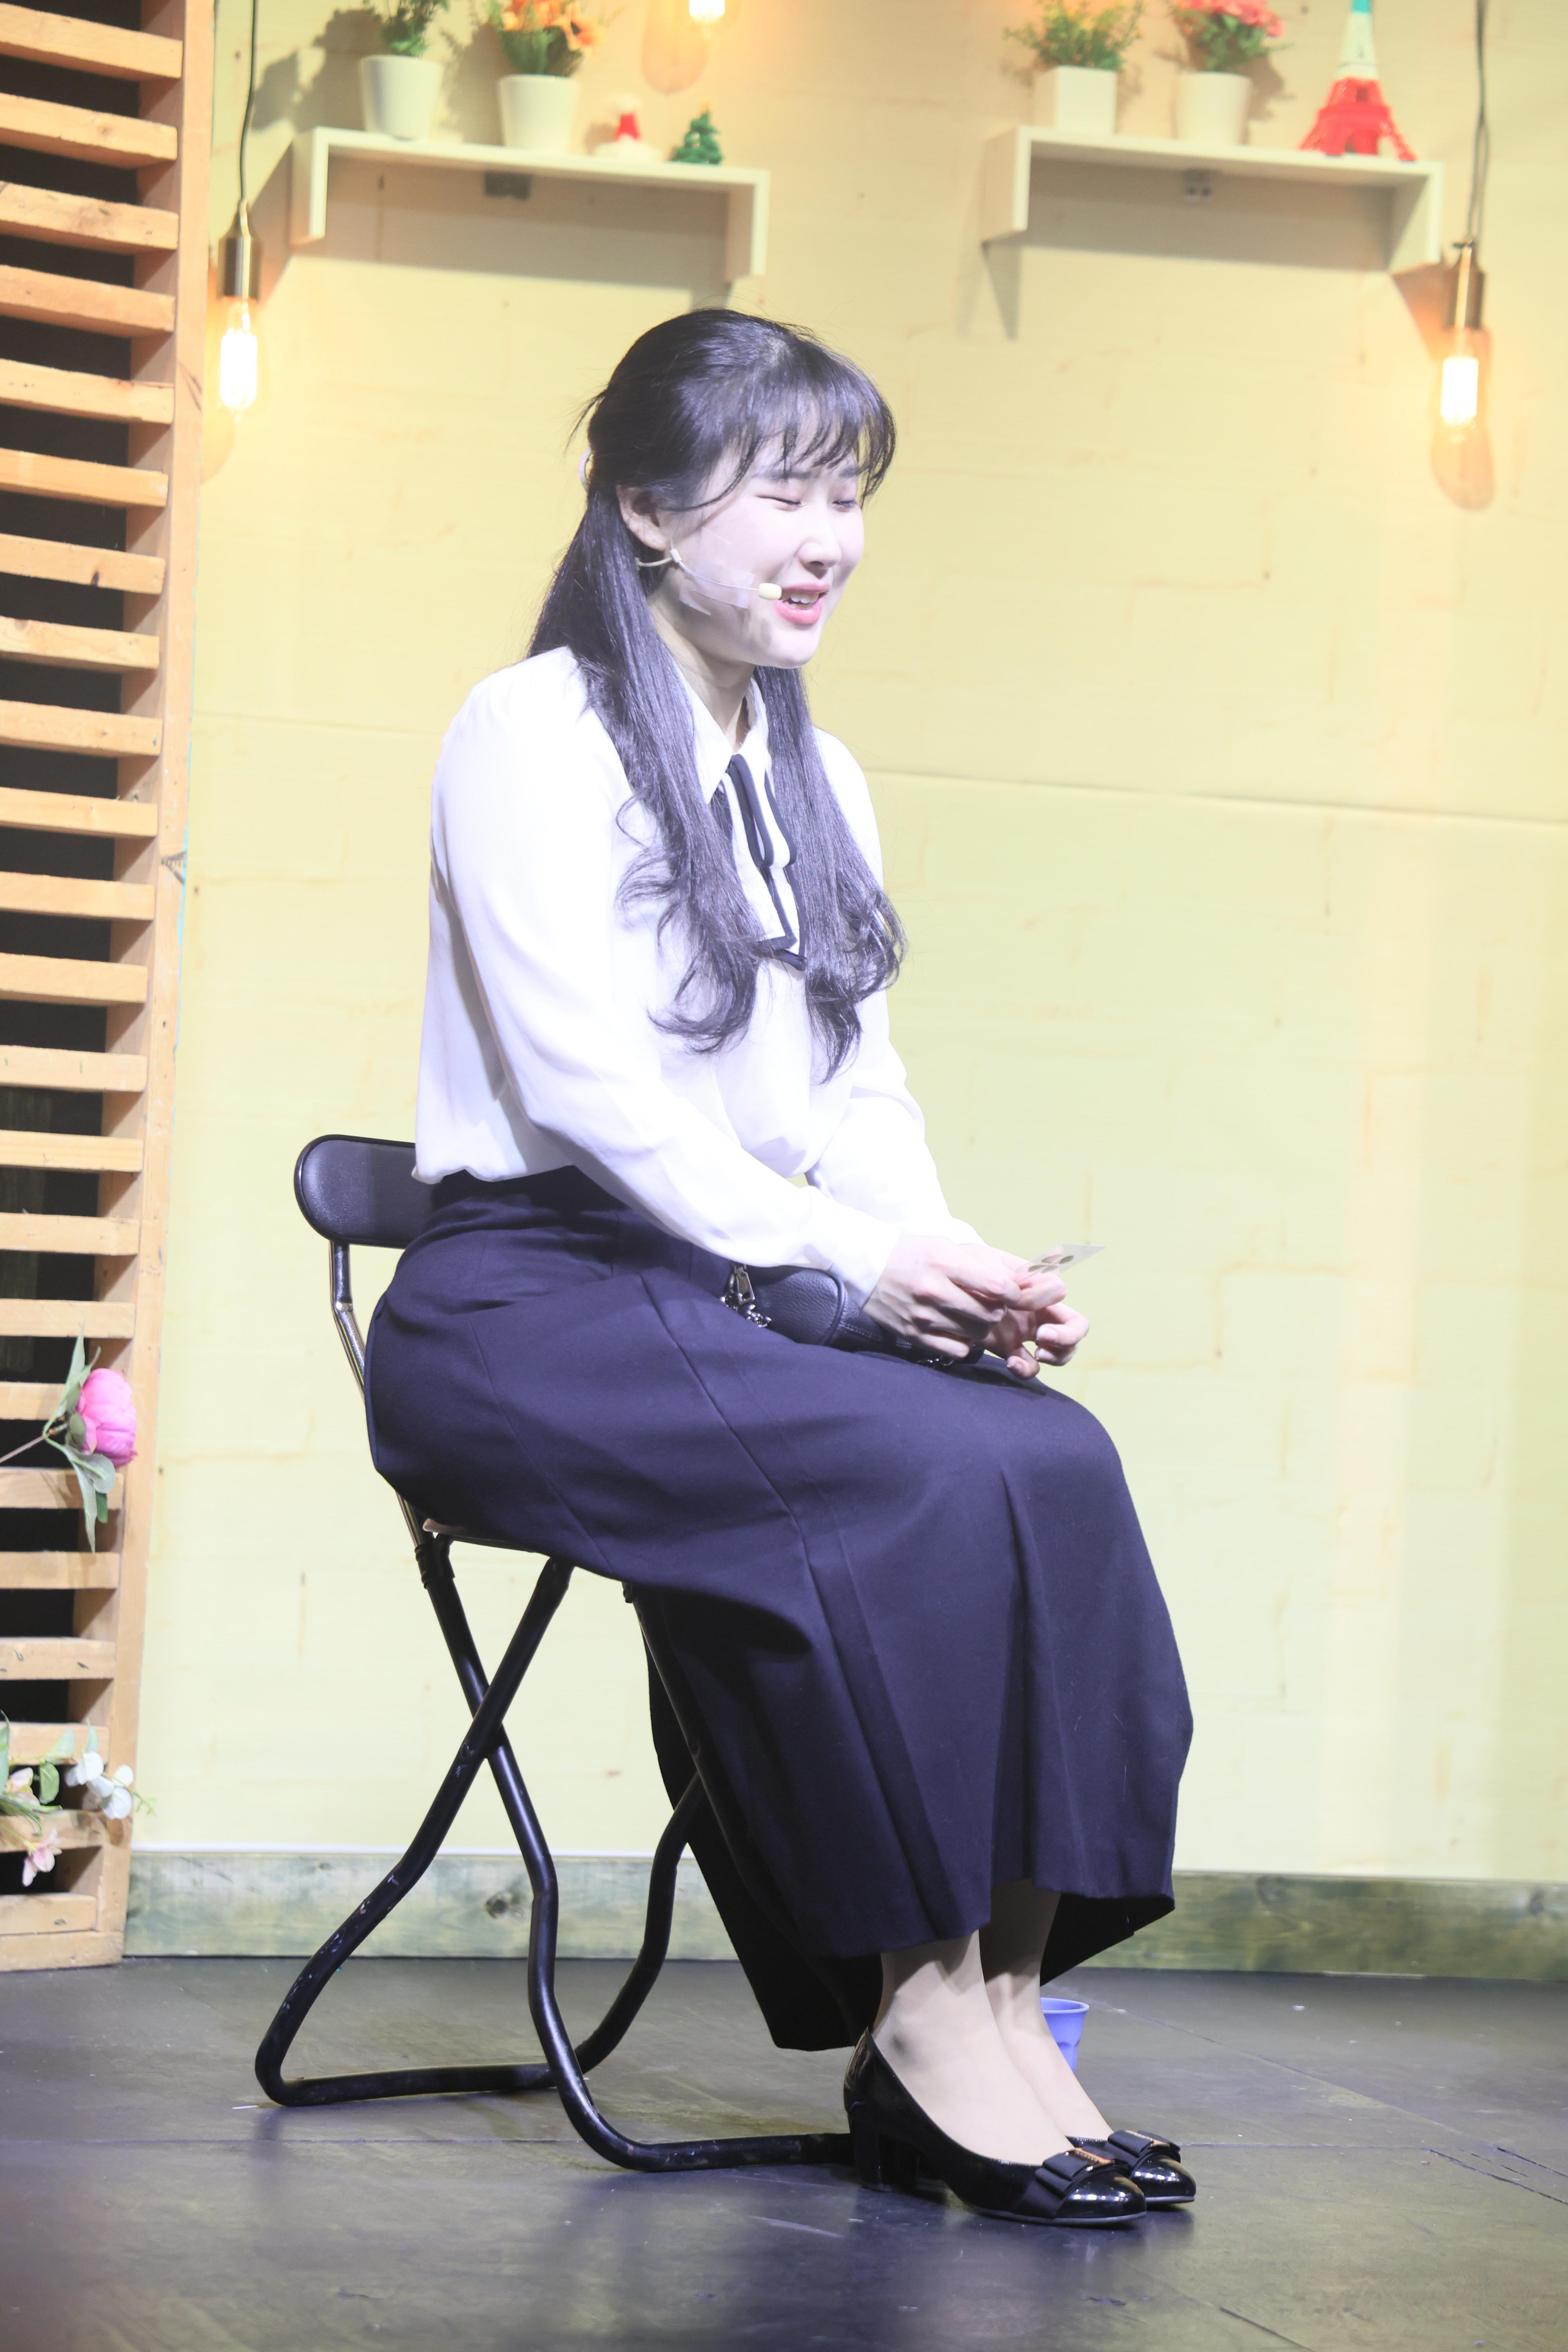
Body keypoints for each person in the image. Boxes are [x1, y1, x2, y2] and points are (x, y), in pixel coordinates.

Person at [365, 309, 1194, 2227]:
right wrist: (855, 1261)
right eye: (783, 496)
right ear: (648, 510)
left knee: (1046, 1453)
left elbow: (855, 1091)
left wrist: (951, 1267)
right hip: (528, 1312)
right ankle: (915, 2018)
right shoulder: (532, 729)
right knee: (913, 1476)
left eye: (848, 498)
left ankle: (1002, 2006)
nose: (830, 541)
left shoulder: (816, 771)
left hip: (715, 1296)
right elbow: (587, 1093)